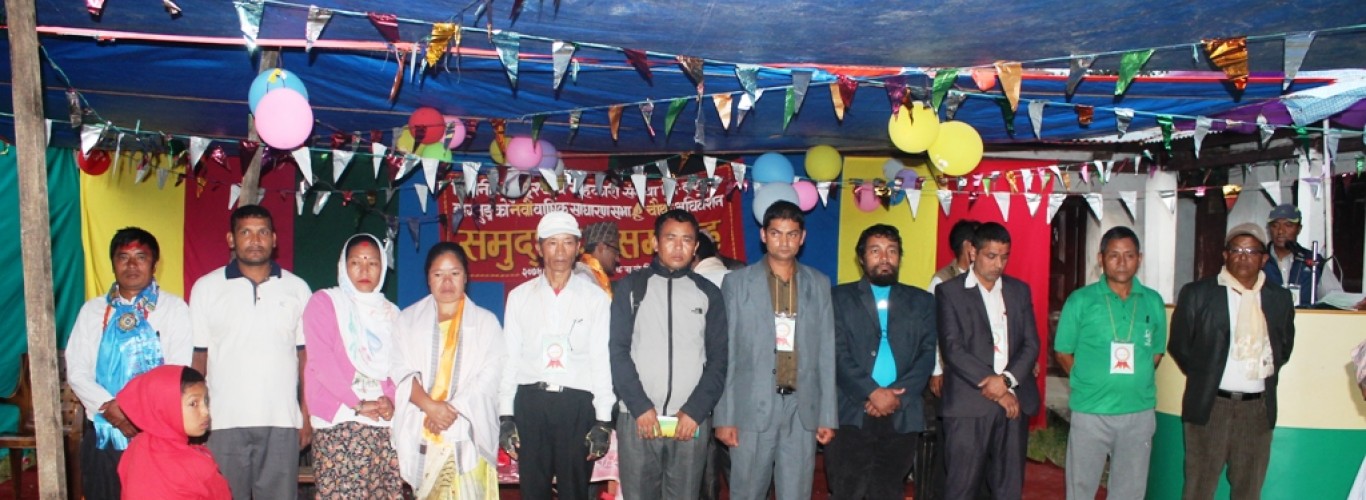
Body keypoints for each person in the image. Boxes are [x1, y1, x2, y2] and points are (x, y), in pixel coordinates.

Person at [713, 200, 837, 500]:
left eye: (792, 234)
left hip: (801, 407)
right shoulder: (736, 284)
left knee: (797, 493)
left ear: (802, 238)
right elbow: (726, 353)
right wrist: (724, 416)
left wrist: (827, 415)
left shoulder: (819, 284)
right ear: (763, 235)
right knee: (747, 492)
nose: (784, 241)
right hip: (750, 407)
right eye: (776, 233)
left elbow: (826, 352)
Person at [190, 205, 312, 500]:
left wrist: (306, 416)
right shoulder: (206, 288)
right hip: (222, 422)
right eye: (246, 232)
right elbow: (198, 359)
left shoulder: (297, 289)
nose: (255, 240)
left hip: (282, 422)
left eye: (263, 232)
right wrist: (194, 416)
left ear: (274, 239)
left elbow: (307, 360)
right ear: (231, 239)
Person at [1169, 223, 1295, 500]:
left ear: (1264, 258)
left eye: (1251, 251)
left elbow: (1283, 348)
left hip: (1257, 411)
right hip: (1210, 406)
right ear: (1225, 255)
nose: (1243, 257)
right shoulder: (1198, 294)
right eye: (1236, 250)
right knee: (1199, 489)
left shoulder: (1279, 299)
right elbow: (1180, 345)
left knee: (1248, 490)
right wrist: (1207, 377)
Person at [67, 227, 193, 499]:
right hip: (104, 430)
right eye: (123, 257)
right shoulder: (92, 311)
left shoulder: (174, 309)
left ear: (154, 264)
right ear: (113, 264)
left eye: (141, 257)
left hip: (156, 433)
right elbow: (77, 370)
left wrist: (137, 412)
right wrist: (111, 408)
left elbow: (177, 370)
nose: (132, 265)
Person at [609, 209, 728, 500]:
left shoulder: (709, 293)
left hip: (689, 422)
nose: (678, 247)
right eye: (670, 238)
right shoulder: (631, 287)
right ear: (655, 243)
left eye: (686, 240)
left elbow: (719, 360)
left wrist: (695, 411)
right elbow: (617, 351)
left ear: (695, 247)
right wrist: (640, 407)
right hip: (638, 419)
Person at [498, 211, 615, 500]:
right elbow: (510, 358)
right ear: (539, 249)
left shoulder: (596, 299)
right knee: (533, 492)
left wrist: (603, 420)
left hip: (576, 404)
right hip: (531, 403)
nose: (560, 251)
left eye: (567, 243)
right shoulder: (520, 297)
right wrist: (506, 415)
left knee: (574, 491)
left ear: (578, 248)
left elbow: (601, 359)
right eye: (552, 243)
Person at [1054, 226, 1167, 500]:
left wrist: (1133, 380)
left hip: (1138, 412)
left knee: (1130, 492)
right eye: (1114, 255)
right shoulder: (1081, 300)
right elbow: (1063, 351)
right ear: (1101, 258)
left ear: (1139, 259)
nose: (1122, 262)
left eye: (1129, 255)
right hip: (1091, 412)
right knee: (1081, 489)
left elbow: (1156, 352)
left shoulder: (1153, 301)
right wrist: (1084, 381)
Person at [826, 224, 937, 499]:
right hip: (851, 411)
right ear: (861, 258)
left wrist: (896, 397)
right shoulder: (838, 298)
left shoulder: (922, 301)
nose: (885, 258)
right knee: (847, 490)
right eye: (875, 251)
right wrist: (872, 392)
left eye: (892, 251)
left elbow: (927, 355)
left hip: (902, 412)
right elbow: (835, 352)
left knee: (888, 490)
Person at [391, 242, 507, 498]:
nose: (446, 282)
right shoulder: (407, 321)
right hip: (422, 426)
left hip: (466, 430)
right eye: (438, 274)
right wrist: (430, 407)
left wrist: (450, 410)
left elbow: (491, 375)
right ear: (428, 279)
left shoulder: (486, 323)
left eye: (454, 273)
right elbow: (398, 368)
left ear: (466, 277)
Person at [935, 221, 1040, 500]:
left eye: (1004, 257)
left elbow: (1031, 344)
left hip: (1014, 403)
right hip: (968, 405)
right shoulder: (949, 292)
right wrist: (996, 388)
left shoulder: (1019, 291)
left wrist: (1006, 381)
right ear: (973, 252)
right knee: (961, 489)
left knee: (1008, 488)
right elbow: (953, 349)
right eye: (991, 256)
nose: (998, 264)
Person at [301, 234, 403, 497]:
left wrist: (391, 401)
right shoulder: (325, 302)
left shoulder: (392, 314)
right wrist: (357, 403)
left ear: (383, 268)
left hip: (383, 427)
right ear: (343, 267)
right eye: (356, 262)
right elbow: (322, 362)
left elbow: (400, 365)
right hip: (340, 424)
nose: (364, 270)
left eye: (373, 263)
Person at [115, 365, 231, 500]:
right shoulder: (196, 465)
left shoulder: (136, 447)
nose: (205, 412)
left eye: (205, 401)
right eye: (193, 404)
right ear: (164, 405)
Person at [1262, 203, 1352, 308]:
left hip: (1305, 317)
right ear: (1269, 229)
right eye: (1275, 225)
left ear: (1299, 229)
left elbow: (1335, 297)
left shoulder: (1313, 260)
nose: (1280, 231)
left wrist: (1355, 303)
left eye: (1288, 225)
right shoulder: (1258, 259)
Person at [577, 221, 621, 292]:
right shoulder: (583, 278)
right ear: (601, 247)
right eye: (615, 252)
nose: (617, 259)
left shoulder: (592, 276)